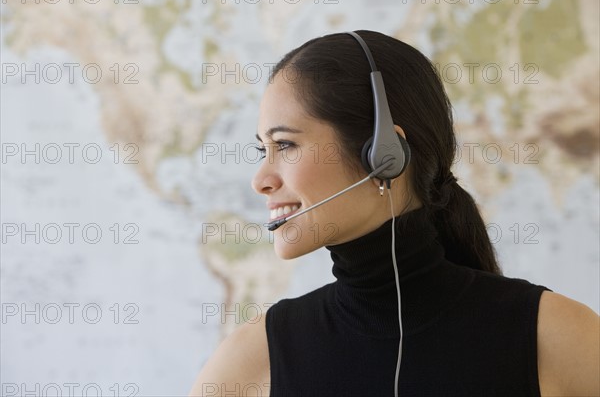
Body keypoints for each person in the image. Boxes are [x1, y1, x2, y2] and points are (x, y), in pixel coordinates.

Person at [189, 30, 599, 396]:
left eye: (286, 145)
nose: (260, 179)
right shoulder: (250, 363)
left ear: (384, 153)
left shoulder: (558, 338)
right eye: (264, 150)